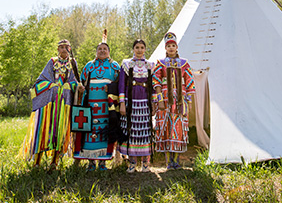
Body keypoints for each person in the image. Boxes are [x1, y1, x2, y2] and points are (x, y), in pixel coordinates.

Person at [20, 39, 83, 170]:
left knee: (59, 131)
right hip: (49, 104)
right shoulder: (52, 62)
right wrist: (52, 86)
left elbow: (76, 81)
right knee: (43, 129)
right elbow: (41, 80)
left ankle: (55, 161)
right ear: (58, 49)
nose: (64, 49)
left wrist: (69, 86)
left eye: (66, 47)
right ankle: (37, 161)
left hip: (63, 105)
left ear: (70, 49)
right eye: (61, 47)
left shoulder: (72, 63)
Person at [73, 32, 120, 171]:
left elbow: (119, 83)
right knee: (89, 130)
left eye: (105, 49)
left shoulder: (114, 66)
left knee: (105, 130)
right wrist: (80, 88)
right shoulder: (89, 66)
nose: (102, 51)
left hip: (107, 106)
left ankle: (103, 161)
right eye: (100, 49)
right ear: (96, 51)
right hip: (90, 104)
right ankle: (91, 161)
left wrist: (111, 87)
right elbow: (80, 80)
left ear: (109, 52)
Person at [152, 32, 196, 169]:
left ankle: (176, 160)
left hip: (180, 100)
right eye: (168, 45)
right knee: (166, 128)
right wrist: (159, 100)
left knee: (178, 128)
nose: (171, 48)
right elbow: (156, 81)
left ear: (177, 47)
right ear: (165, 48)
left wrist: (189, 101)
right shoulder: (160, 63)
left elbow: (190, 82)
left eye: (173, 45)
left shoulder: (184, 63)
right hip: (165, 100)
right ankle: (168, 161)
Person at [118, 39, 155, 173]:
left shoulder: (150, 65)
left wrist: (153, 103)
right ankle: (132, 162)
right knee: (131, 130)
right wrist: (122, 103)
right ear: (133, 49)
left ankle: (145, 163)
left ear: (145, 49)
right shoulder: (126, 64)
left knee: (145, 130)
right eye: (137, 47)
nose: (139, 50)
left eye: (142, 47)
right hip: (130, 101)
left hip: (144, 100)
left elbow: (153, 87)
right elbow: (121, 84)